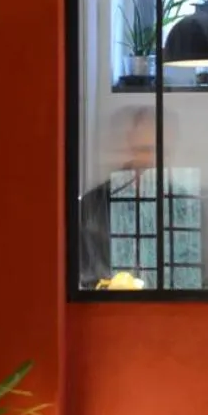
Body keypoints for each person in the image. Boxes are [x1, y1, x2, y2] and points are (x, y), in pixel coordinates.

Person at [78, 106, 166, 287]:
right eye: (143, 150)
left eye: (157, 151)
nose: (150, 160)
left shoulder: (182, 207)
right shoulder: (93, 207)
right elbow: (87, 277)